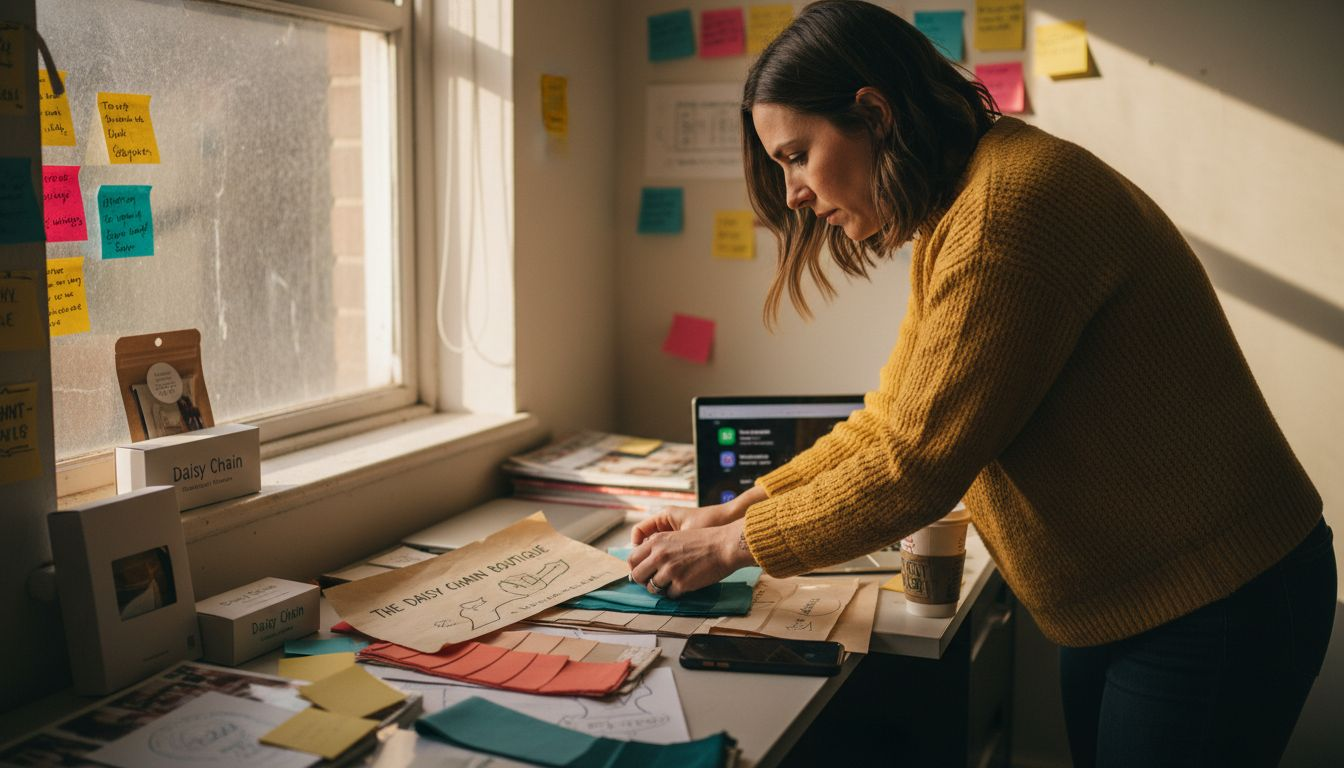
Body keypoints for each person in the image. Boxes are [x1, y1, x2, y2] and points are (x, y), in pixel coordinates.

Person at [625, 2, 1335, 765]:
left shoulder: (1005, 213)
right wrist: (739, 508)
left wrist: (736, 549)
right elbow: (890, 421)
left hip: (1212, 598)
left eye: (796, 154)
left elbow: (915, 468)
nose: (792, 191)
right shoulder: (966, 205)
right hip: (1136, 599)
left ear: (873, 113)